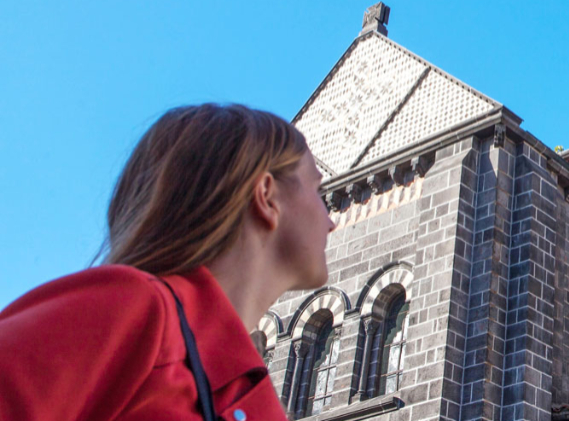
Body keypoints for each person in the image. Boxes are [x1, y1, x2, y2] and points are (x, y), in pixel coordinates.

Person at [0, 103, 335, 421]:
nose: (331, 220)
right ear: (266, 197)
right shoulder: (136, 310)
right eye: (318, 192)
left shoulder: (252, 391)